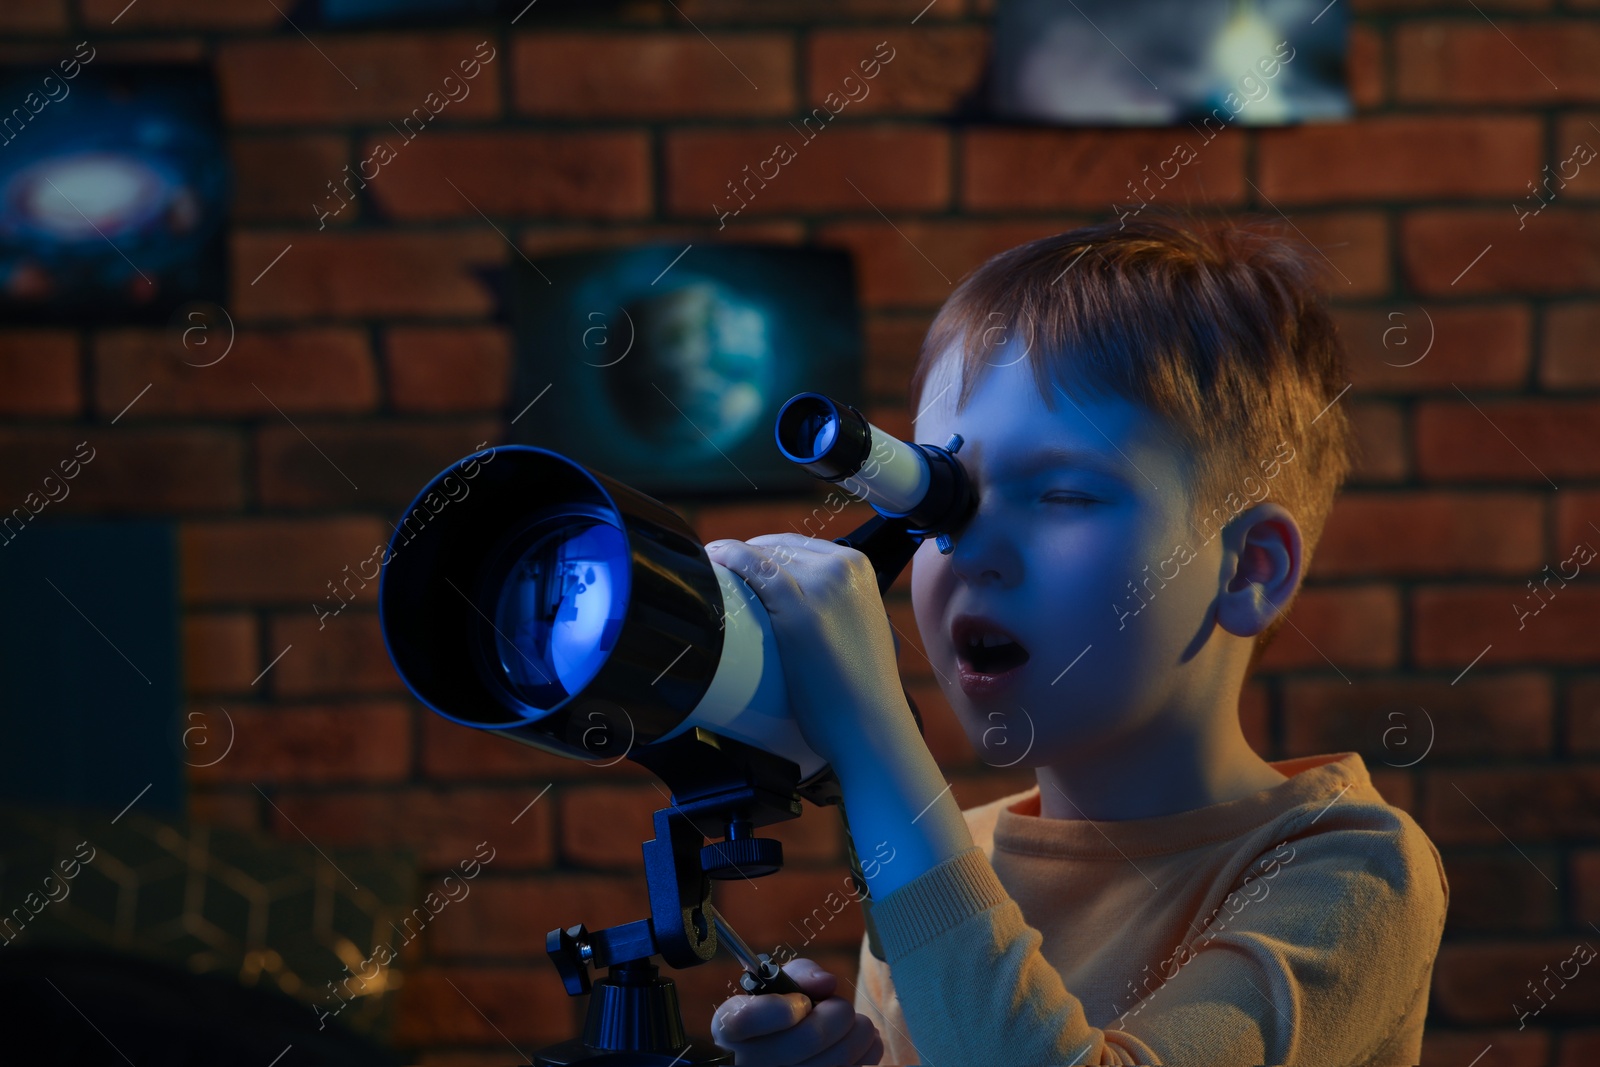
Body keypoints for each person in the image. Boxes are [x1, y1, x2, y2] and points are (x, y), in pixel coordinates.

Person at [705, 212, 1449, 1066]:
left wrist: (873, 739)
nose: (973, 548)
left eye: (1061, 496)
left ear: (1248, 570)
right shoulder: (953, 853)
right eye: (940, 501)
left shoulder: (1353, 871)